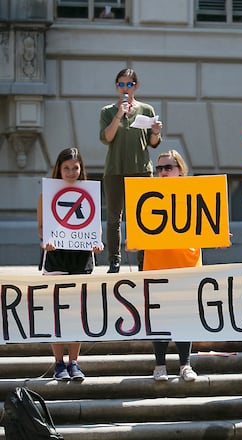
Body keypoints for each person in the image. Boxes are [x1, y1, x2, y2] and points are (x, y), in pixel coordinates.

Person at [37, 147, 104, 381]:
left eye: (75, 167)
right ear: (59, 169)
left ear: (81, 169)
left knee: (77, 313)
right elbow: (42, 227)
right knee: (56, 312)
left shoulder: (90, 192)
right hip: (56, 257)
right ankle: (58, 364)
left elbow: (95, 225)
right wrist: (46, 242)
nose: (71, 172)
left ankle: (74, 362)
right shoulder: (48, 193)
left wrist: (98, 243)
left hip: (82, 258)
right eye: (66, 168)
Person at [142, 150, 200, 382]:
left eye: (168, 167)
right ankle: (160, 364)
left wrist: (215, 236)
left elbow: (204, 223)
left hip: (185, 262)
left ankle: (185, 364)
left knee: (184, 316)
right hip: (157, 263)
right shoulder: (147, 195)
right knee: (159, 316)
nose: (163, 172)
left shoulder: (194, 194)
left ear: (180, 169)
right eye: (159, 168)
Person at [100, 68, 163, 273]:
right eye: (121, 84)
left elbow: (153, 143)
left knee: (141, 217)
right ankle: (114, 260)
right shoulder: (108, 111)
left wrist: (155, 132)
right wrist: (119, 114)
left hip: (141, 170)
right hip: (115, 170)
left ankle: (143, 259)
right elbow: (106, 137)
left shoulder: (146, 109)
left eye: (129, 84)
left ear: (136, 86)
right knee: (113, 217)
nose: (125, 89)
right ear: (116, 86)